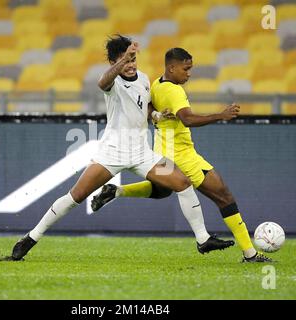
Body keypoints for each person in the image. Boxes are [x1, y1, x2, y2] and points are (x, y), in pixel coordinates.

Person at [11, 37, 234, 261]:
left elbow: (144, 108)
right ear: (114, 63)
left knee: (182, 183)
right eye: (125, 60)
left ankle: (203, 239)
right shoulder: (113, 82)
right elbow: (101, 83)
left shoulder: (145, 79)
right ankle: (30, 238)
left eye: (133, 59)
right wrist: (120, 63)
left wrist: (156, 115)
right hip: (112, 152)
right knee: (76, 196)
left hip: (142, 152)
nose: (131, 64)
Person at [91, 47, 272, 263]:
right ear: (172, 67)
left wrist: (156, 115)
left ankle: (116, 191)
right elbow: (187, 119)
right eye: (186, 69)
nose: (189, 73)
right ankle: (249, 253)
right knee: (224, 196)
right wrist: (221, 115)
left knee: (162, 190)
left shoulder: (156, 84)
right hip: (182, 153)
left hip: (161, 149)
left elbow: (147, 106)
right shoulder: (174, 91)